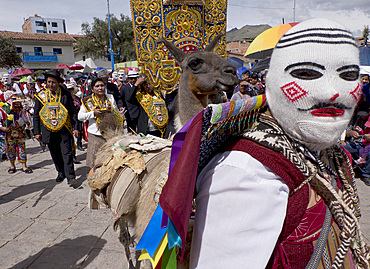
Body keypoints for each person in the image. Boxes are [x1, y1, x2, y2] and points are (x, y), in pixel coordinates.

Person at [159, 18, 369, 268]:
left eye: (349, 75)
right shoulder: (247, 173)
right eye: (307, 73)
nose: (334, 91)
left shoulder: (333, 155)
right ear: (275, 80)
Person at [33, 69, 79, 185]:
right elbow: (36, 115)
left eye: (53, 82)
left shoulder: (65, 94)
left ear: (58, 83)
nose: (51, 85)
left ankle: (71, 177)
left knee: (67, 152)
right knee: (55, 153)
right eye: (49, 82)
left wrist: (76, 127)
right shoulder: (41, 96)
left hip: (64, 129)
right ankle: (61, 172)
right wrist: (37, 131)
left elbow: (72, 111)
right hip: (48, 129)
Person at [78, 78, 123, 168]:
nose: (100, 88)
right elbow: (80, 117)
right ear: (92, 89)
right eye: (97, 86)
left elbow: (116, 111)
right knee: (95, 162)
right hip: (95, 134)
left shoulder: (110, 97)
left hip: (110, 133)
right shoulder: (88, 101)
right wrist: (93, 114)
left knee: (111, 161)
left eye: (102, 85)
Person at [0, 92, 32, 173]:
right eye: (13, 98)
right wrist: (1, 127)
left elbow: (23, 116)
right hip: (9, 131)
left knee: (22, 147)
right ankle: (12, 166)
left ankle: (24, 166)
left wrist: (27, 122)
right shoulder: (2, 109)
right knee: (11, 148)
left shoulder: (19, 109)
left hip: (19, 130)